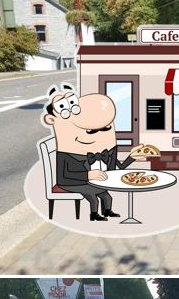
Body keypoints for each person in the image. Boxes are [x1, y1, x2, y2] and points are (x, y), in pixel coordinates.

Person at [41, 84, 147, 221]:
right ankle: (94, 215)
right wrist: (88, 175)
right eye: (91, 131)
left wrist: (133, 157)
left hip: (93, 179)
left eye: (105, 128)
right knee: (92, 194)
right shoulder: (66, 154)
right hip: (70, 182)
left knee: (106, 195)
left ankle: (107, 211)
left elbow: (118, 167)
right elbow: (63, 176)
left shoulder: (106, 151)